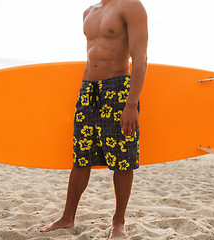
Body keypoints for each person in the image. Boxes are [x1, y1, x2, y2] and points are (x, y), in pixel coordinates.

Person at [41, 0, 148, 238]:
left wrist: (131, 104)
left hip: (118, 87)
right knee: (81, 155)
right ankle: (67, 217)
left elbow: (140, 58)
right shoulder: (88, 12)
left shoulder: (131, 6)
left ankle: (118, 222)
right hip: (88, 88)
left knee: (123, 158)